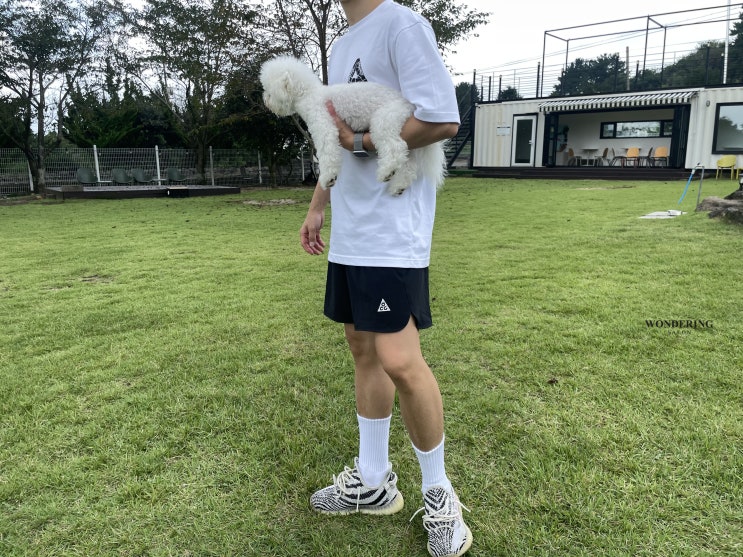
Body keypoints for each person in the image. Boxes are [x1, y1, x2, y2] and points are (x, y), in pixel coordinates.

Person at [299, 1, 471, 556]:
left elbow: (442, 119)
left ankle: (440, 495)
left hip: (393, 230)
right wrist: (319, 203)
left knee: (399, 359)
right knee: (362, 350)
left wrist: (361, 143)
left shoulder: (401, 24)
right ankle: (373, 481)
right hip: (352, 228)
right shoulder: (342, 43)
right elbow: (333, 132)